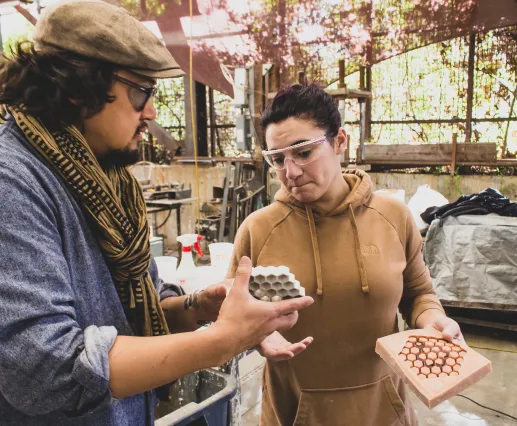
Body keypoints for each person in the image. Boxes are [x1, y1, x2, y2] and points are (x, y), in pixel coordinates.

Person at [0, 2, 313, 425]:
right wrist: (220, 342)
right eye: (140, 92)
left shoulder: (104, 177)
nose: (151, 112)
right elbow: (44, 365)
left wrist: (200, 306)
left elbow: (138, 304)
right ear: (77, 87)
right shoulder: (14, 181)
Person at [227, 84, 464, 426]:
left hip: (382, 410)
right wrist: (260, 336)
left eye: (303, 152)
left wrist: (434, 320)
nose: (290, 172)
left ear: (339, 141)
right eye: (278, 159)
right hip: (295, 412)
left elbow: (419, 295)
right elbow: (231, 314)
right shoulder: (258, 230)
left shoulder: (393, 218)